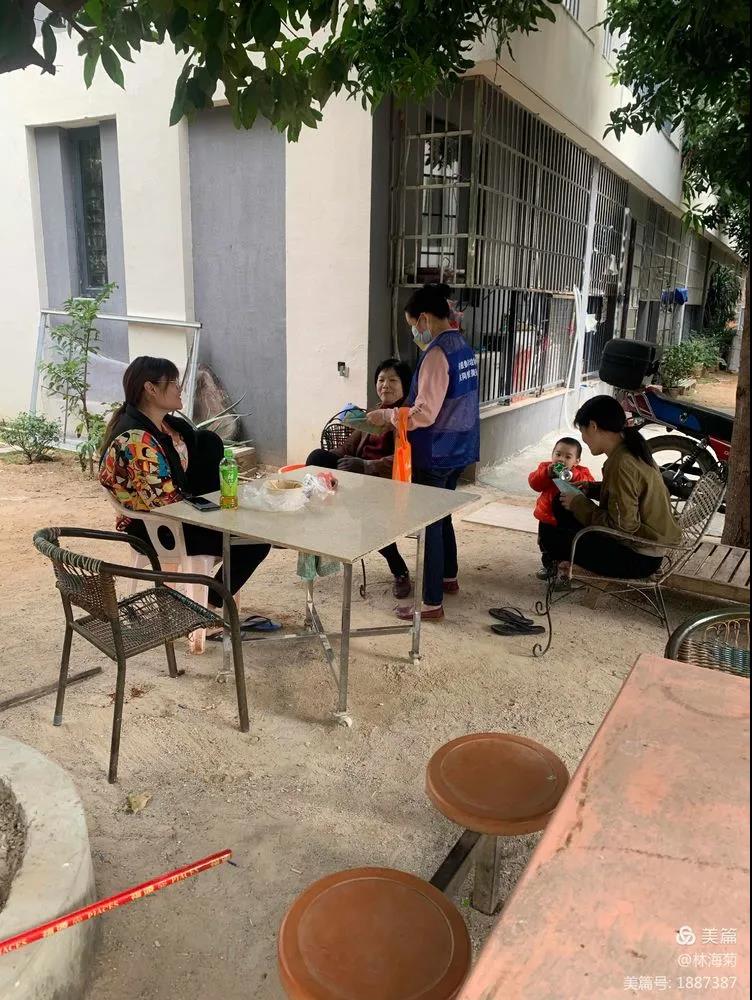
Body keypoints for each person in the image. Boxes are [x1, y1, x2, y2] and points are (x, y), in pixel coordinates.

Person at [99, 356, 270, 613]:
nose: (179, 388)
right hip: (156, 528)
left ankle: (204, 605)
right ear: (150, 388)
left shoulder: (167, 427)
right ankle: (203, 610)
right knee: (255, 541)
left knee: (209, 444)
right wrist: (217, 516)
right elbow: (167, 505)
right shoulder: (136, 441)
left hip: (176, 516)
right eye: (173, 383)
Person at [367, 283, 480, 621]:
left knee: (429, 523)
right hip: (460, 447)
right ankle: (448, 577)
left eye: (412, 325)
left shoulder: (436, 355)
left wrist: (388, 416)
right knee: (442, 514)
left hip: (436, 451)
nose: (414, 332)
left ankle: (430, 602)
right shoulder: (462, 348)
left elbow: (425, 413)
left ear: (425, 319)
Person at [306, 359, 414, 599]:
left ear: (405, 385)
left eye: (393, 380)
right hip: (358, 478)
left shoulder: (407, 417)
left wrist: (366, 465)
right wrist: (330, 460)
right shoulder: (374, 414)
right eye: (381, 380)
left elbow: (403, 460)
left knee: (371, 528)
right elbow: (347, 447)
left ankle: (400, 572)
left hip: (387, 483)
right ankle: (311, 528)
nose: (385, 385)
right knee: (316, 457)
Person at [542, 394, 682, 579]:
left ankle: (566, 565)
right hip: (646, 548)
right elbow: (629, 494)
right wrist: (591, 488)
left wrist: (579, 504)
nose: (583, 439)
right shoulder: (630, 449)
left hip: (637, 558)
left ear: (593, 426)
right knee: (560, 504)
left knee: (550, 535)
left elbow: (622, 527)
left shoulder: (622, 463)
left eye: (583, 431)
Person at [529, 437, 595, 579]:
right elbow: (534, 483)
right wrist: (546, 474)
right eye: (558, 454)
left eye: (568, 457)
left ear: (577, 461)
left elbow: (589, 483)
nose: (561, 460)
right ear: (552, 454)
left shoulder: (581, 472)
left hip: (568, 517)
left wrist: (572, 476)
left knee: (566, 543)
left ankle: (567, 567)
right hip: (547, 517)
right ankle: (549, 566)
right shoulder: (545, 468)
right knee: (545, 544)